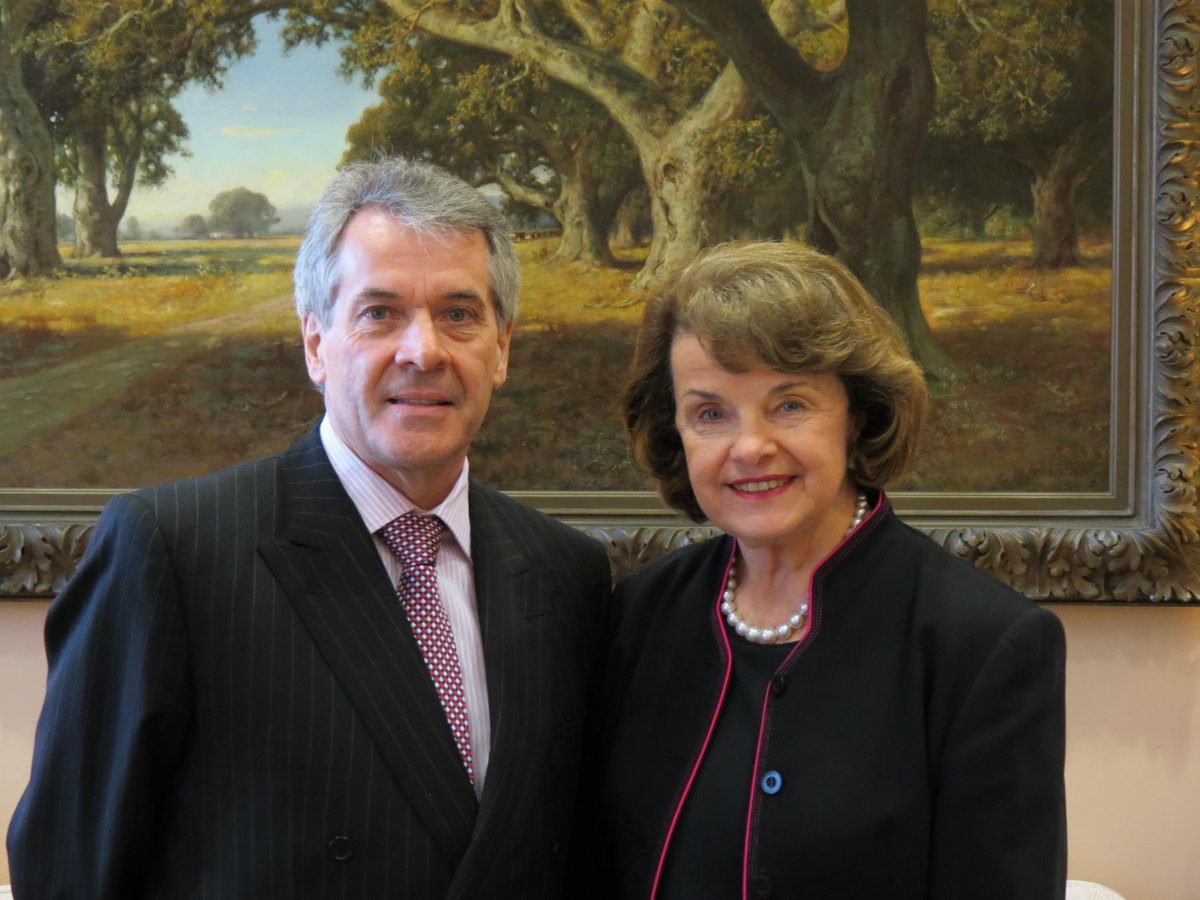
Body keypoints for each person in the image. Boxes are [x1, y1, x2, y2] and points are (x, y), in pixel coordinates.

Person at [7, 157, 612, 898]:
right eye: (379, 313)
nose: (424, 351)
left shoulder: (565, 573)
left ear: (502, 347)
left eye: (459, 314)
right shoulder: (176, 551)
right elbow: (69, 869)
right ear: (316, 344)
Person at [593, 241, 1067, 898]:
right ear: (676, 432)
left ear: (858, 416)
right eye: (710, 413)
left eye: (790, 404)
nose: (750, 447)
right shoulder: (640, 614)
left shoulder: (982, 642)